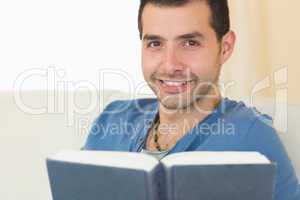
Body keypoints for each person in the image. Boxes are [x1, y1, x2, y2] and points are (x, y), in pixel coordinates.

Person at [84, 0, 300, 199]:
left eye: (189, 43)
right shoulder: (111, 119)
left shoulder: (250, 136)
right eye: (155, 43)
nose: (169, 65)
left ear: (225, 47)